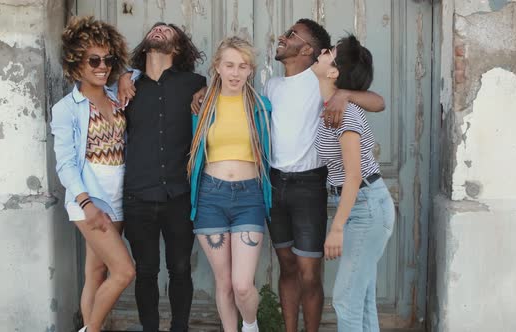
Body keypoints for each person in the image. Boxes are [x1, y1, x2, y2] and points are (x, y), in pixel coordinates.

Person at [264, 19, 385, 332]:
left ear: (307, 50)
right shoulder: (272, 86)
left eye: (291, 34)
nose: (282, 36)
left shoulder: (324, 85)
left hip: (310, 186)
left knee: (310, 273)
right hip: (275, 184)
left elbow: (378, 102)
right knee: (287, 265)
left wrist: (345, 95)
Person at [50, 16, 135, 332]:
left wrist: (125, 73)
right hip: (89, 198)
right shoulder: (67, 108)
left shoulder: (115, 94)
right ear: (76, 64)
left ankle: (88, 326)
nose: (103, 66)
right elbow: (65, 163)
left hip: (117, 193)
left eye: (108, 60)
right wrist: (86, 203)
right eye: (94, 60)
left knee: (96, 273)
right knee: (124, 272)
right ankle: (92, 329)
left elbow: (139, 69)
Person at [119, 23, 206, 332]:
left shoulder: (195, 83)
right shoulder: (127, 86)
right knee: (145, 271)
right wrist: (124, 74)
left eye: (167, 30)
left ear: (178, 46)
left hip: (179, 196)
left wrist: (209, 90)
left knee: (181, 269)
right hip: (137, 194)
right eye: (155, 28)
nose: (159, 30)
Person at [187, 36, 271, 332]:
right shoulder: (202, 107)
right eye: (230, 65)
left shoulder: (262, 106)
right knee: (223, 283)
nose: (236, 73)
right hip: (211, 197)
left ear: (251, 70)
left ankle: (250, 324)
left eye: (243, 66)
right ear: (218, 68)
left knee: (242, 285)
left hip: (249, 198)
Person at [313, 35, 395, 332]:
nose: (321, 52)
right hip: (358, 204)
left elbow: (354, 174)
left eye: (329, 52)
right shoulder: (330, 105)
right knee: (361, 301)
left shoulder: (344, 113)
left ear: (334, 71)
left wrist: (336, 228)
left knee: (347, 300)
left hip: (365, 206)